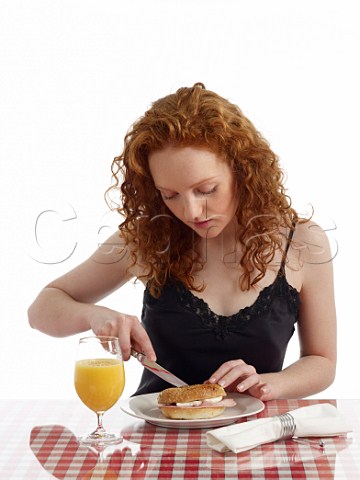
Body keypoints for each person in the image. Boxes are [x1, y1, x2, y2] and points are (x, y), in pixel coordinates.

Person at [28, 83, 337, 400]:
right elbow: (40, 310)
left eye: (206, 189)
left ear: (243, 170)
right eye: (170, 195)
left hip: (255, 439)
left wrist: (265, 384)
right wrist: (96, 316)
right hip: (156, 441)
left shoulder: (301, 242)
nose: (190, 211)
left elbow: (322, 361)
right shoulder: (147, 237)